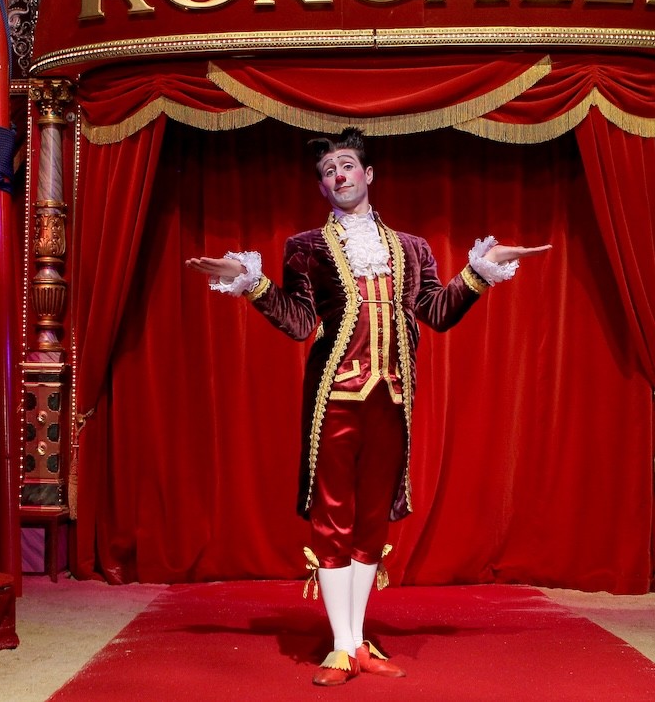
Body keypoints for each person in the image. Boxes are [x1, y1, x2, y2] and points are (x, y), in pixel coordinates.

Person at [185, 127, 550, 687]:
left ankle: (356, 642)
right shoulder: (306, 247)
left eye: (347, 165)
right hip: (335, 397)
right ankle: (341, 645)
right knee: (332, 517)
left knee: (372, 521)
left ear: (368, 173)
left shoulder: (413, 248)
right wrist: (250, 284)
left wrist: (481, 271)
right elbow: (300, 323)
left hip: (393, 399)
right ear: (322, 186)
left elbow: (437, 312)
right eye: (329, 170)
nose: (339, 175)